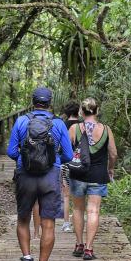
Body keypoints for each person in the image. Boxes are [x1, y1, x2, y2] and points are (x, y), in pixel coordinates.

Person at [7, 87, 73, 261]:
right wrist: (52, 160)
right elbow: (68, 156)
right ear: (50, 103)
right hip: (50, 177)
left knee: (23, 218)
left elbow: (11, 152)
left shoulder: (21, 121)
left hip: (25, 176)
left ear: (33, 101)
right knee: (48, 223)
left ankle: (27, 260)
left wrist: (26, 158)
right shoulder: (59, 124)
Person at [68, 97, 117, 261]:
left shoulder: (75, 128)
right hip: (98, 175)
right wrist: (110, 168)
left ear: (81, 112)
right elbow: (113, 153)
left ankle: (79, 244)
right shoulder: (106, 130)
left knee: (77, 209)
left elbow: (67, 152)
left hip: (78, 175)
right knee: (93, 211)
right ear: (97, 111)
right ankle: (89, 249)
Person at [59, 100, 80, 233]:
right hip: (81, 163)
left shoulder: (62, 125)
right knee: (79, 195)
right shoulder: (84, 126)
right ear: (79, 111)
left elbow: (60, 145)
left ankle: (66, 224)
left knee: (66, 195)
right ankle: (77, 221)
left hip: (65, 163)